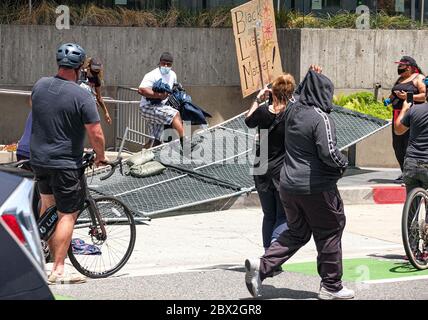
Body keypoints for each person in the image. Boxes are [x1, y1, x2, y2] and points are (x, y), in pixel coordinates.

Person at [244, 66, 354, 300]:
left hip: (288, 185)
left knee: (297, 232)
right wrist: (343, 164)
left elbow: (291, 93)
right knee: (330, 230)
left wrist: (309, 76)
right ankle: (331, 286)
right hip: (316, 186)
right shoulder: (319, 117)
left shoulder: (293, 111)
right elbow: (328, 153)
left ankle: (261, 267)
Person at [30, 43, 107, 284]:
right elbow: (96, 133)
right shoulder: (81, 95)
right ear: (80, 67)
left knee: (48, 207)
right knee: (67, 215)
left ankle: (43, 261)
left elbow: (41, 112)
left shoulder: (40, 86)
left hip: (40, 160)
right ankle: (59, 270)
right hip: (65, 163)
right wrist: (100, 155)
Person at [244, 75, 294, 252]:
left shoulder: (263, 111)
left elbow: (248, 121)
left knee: (268, 215)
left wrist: (258, 99)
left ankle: (268, 254)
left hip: (261, 168)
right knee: (283, 216)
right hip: (281, 170)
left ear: (272, 92)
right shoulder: (292, 113)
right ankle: (274, 249)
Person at [384, 56, 426, 182]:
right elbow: (393, 94)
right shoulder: (400, 79)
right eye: (399, 66)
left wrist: (407, 96)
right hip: (397, 114)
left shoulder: (419, 78)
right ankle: (404, 172)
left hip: (411, 114)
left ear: (410, 67)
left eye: (402, 66)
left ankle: (410, 173)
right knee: (397, 145)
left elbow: (424, 95)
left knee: (408, 143)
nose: (399, 68)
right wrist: (388, 100)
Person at [138, 52, 186, 149]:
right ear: (159, 63)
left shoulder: (173, 75)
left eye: (168, 64)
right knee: (175, 114)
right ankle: (185, 142)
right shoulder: (152, 75)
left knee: (155, 141)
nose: (165, 66)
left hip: (161, 108)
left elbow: (173, 89)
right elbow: (141, 90)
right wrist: (159, 95)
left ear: (171, 65)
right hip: (148, 108)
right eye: (163, 63)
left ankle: (141, 155)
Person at [394, 98, 428, 194]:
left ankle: (411, 207)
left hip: (412, 163)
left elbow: (398, 130)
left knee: (412, 200)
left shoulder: (414, 109)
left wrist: (404, 109)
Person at [80, 57, 112, 124]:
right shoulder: (81, 73)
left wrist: (106, 112)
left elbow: (99, 97)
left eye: (97, 71)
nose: (94, 74)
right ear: (89, 67)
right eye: (94, 71)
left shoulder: (96, 79)